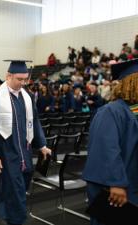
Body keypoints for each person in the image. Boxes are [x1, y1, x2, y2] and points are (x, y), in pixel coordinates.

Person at [0, 60, 51, 225]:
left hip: (25, 150)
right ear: (8, 76)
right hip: (7, 152)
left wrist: (42, 144)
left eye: (25, 79)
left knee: (20, 185)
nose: (23, 83)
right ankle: (16, 220)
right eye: (19, 79)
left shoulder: (27, 96)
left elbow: (35, 121)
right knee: (17, 192)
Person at [82, 59, 138, 225]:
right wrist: (115, 182)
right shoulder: (111, 111)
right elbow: (105, 149)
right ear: (131, 82)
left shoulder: (134, 111)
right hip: (120, 188)